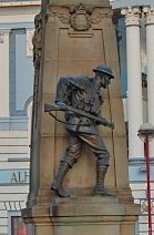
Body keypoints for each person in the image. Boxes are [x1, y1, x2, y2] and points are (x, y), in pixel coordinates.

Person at [48, 65, 116, 198]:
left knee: (72, 154)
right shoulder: (84, 82)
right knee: (104, 154)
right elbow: (64, 81)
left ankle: (57, 183)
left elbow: (93, 114)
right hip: (82, 125)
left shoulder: (98, 97)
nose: (109, 82)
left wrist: (102, 120)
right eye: (108, 78)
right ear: (101, 76)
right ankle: (99, 188)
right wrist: (59, 101)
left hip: (80, 125)